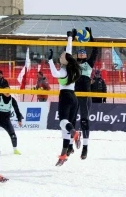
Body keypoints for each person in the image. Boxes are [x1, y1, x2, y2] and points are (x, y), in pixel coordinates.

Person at [48, 29, 82, 166]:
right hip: (74, 98)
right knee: (66, 127)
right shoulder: (73, 68)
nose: (60, 57)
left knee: (63, 122)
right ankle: (64, 153)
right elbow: (68, 52)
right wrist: (69, 38)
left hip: (65, 97)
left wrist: (50, 60)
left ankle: (74, 133)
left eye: (61, 57)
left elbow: (54, 73)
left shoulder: (63, 71)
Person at [70, 27, 98, 160]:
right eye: (79, 52)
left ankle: (85, 147)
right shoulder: (73, 63)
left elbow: (96, 49)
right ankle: (70, 145)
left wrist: (91, 36)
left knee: (85, 121)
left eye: (83, 52)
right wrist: (71, 37)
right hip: (74, 95)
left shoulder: (89, 63)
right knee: (72, 120)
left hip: (85, 95)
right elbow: (66, 52)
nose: (81, 53)